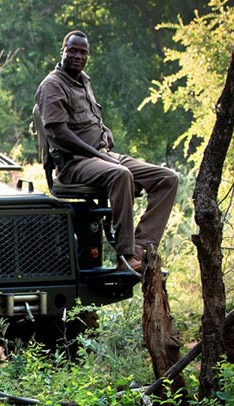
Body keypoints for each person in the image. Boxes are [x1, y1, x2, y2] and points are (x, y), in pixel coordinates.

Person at [35, 30, 178, 274]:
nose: (78, 56)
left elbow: (87, 118)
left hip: (103, 156)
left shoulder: (84, 80)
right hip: (74, 164)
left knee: (167, 178)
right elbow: (60, 134)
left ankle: (141, 247)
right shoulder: (53, 86)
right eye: (73, 50)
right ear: (63, 51)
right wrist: (97, 154)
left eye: (83, 52)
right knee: (120, 174)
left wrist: (105, 130)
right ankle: (124, 257)